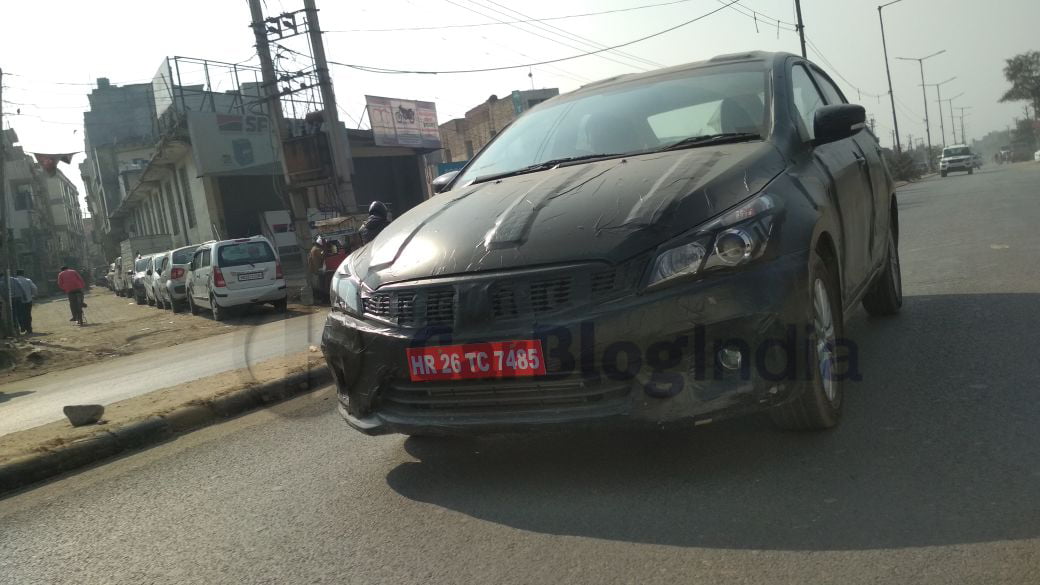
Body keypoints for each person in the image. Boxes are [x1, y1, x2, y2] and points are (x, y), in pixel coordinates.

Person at [13, 269, 37, 334]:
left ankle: (22, 327)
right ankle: (29, 328)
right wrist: (33, 295)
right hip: (28, 300)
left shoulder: (14, 281)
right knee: (28, 314)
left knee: (20, 315)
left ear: (16, 274)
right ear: (23, 274)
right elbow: (34, 288)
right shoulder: (28, 280)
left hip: (19, 301)